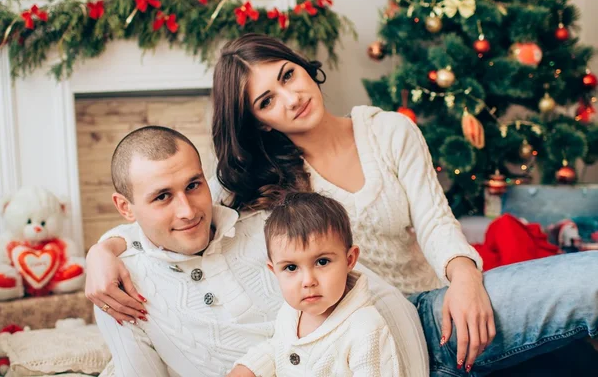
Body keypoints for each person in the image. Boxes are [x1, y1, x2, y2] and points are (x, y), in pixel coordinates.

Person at [89, 34, 598, 376]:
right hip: (356, 345)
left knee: (586, 283)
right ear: (259, 121)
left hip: (435, 309)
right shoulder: (259, 184)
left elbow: (437, 222)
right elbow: (182, 217)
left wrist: (465, 281)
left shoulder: (388, 131)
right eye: (265, 101)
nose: (289, 98)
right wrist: (103, 250)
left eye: (287, 75)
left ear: (303, 67)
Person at [89, 125, 428, 377]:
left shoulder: (265, 227)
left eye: (194, 186)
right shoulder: (117, 284)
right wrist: (102, 251)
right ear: (125, 208)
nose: (188, 211)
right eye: (162, 196)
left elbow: (381, 301)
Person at [229, 192, 401, 376]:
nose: (308, 281)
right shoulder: (291, 312)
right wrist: (249, 368)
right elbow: (278, 348)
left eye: (322, 262)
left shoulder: (365, 329)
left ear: (349, 260)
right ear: (274, 271)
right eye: (291, 267)